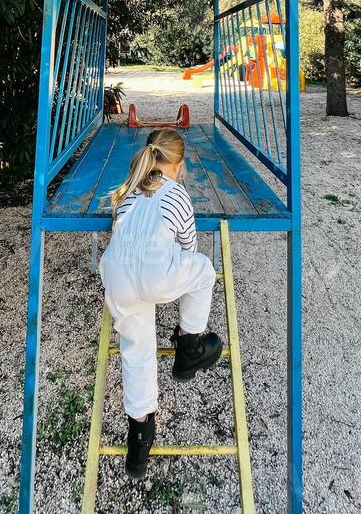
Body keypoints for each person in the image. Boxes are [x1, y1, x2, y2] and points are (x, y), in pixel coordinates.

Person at [99, 127, 223, 479]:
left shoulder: (127, 192)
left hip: (117, 278)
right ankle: (189, 345)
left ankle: (139, 440)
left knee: (136, 350)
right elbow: (189, 248)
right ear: (178, 165)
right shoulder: (177, 194)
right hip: (153, 277)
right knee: (202, 271)